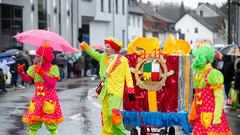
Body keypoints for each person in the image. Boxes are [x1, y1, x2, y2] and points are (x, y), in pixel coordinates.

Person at [80, 37, 135, 135]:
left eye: (108, 47)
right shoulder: (102, 57)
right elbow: (91, 52)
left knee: (113, 114)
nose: (105, 48)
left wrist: (130, 90)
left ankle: (121, 133)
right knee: (105, 117)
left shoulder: (123, 60)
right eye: (105, 46)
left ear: (114, 48)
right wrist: (82, 43)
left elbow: (128, 75)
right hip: (105, 91)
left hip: (116, 91)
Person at [18, 43, 63, 135]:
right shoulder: (34, 68)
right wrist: (21, 72)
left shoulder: (53, 68)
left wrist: (43, 74)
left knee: (51, 126)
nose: (36, 58)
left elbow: (52, 84)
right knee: (33, 125)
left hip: (49, 100)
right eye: (36, 56)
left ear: (45, 57)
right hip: (37, 100)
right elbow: (27, 80)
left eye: (39, 56)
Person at [188, 46, 232, 135]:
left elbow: (219, 98)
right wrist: (192, 113)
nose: (195, 59)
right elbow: (196, 98)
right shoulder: (198, 74)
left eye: (197, 57)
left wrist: (216, 118)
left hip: (213, 118)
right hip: (200, 117)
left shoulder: (213, 74)